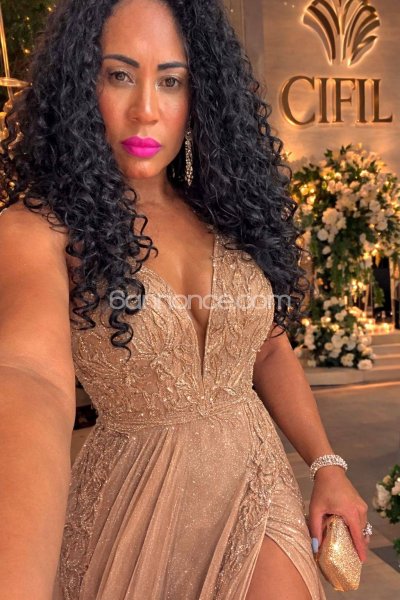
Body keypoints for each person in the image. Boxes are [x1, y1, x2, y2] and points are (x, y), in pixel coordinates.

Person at [0, 0, 371, 598]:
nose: (146, 109)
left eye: (171, 81)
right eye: (119, 74)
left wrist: (326, 464)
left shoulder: (227, 211)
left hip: (258, 485)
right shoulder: (40, 230)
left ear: (201, 96)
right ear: (77, 86)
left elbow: (268, 350)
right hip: (133, 506)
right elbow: (29, 377)